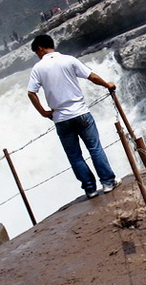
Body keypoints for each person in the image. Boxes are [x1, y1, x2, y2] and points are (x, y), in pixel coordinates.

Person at [27, 34, 118, 198]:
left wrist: (44, 112)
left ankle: (90, 189)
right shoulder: (69, 60)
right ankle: (107, 182)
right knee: (95, 148)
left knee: (75, 156)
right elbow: (92, 76)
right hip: (81, 113)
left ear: (40, 48)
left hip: (61, 119)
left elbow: (31, 93)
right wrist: (107, 85)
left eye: (36, 52)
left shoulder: (38, 68)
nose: (38, 55)